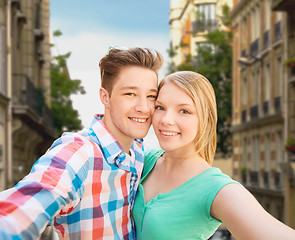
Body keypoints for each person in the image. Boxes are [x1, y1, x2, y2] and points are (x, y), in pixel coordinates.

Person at [0, 47, 163, 239]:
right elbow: (22, 209)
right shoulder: (79, 152)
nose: (144, 108)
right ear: (105, 97)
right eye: (130, 94)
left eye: (151, 96)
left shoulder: (137, 152)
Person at [132, 71, 295, 240]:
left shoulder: (217, 189)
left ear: (206, 120)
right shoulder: (144, 160)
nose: (166, 119)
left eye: (184, 111)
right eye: (160, 107)